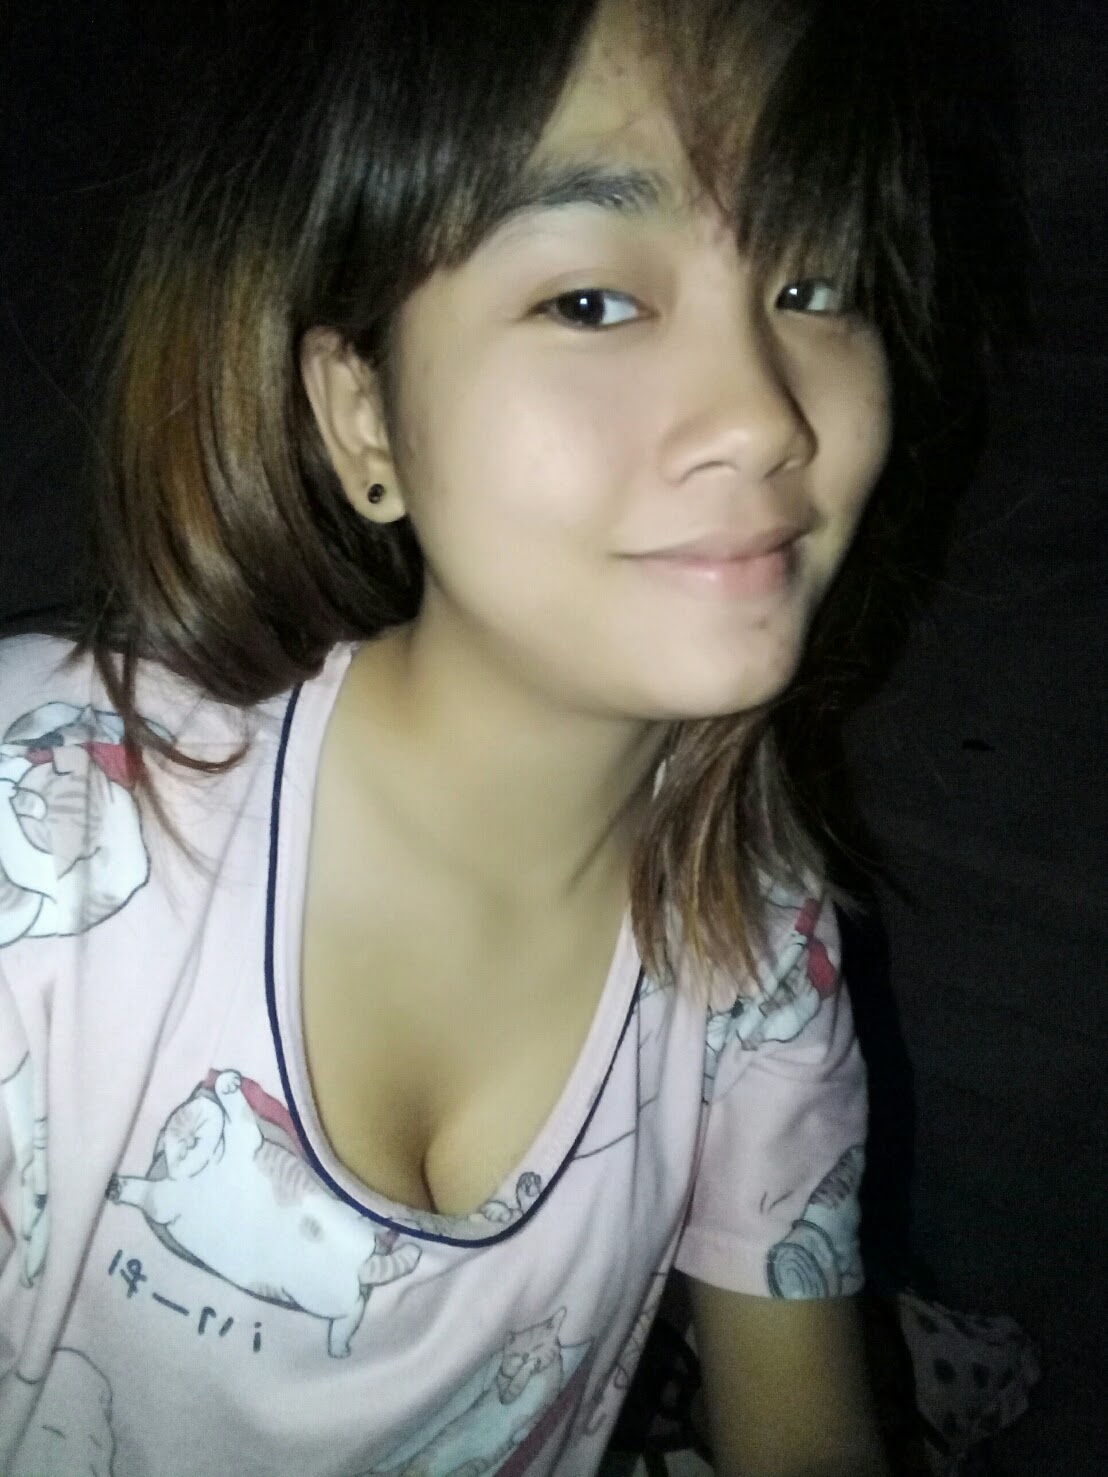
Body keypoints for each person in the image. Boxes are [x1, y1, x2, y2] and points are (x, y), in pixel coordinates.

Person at [0, 1, 936, 1472]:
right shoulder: (44, 828)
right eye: (592, 303)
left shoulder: (760, 943)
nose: (761, 415)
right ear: (363, 416)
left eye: (815, 284)